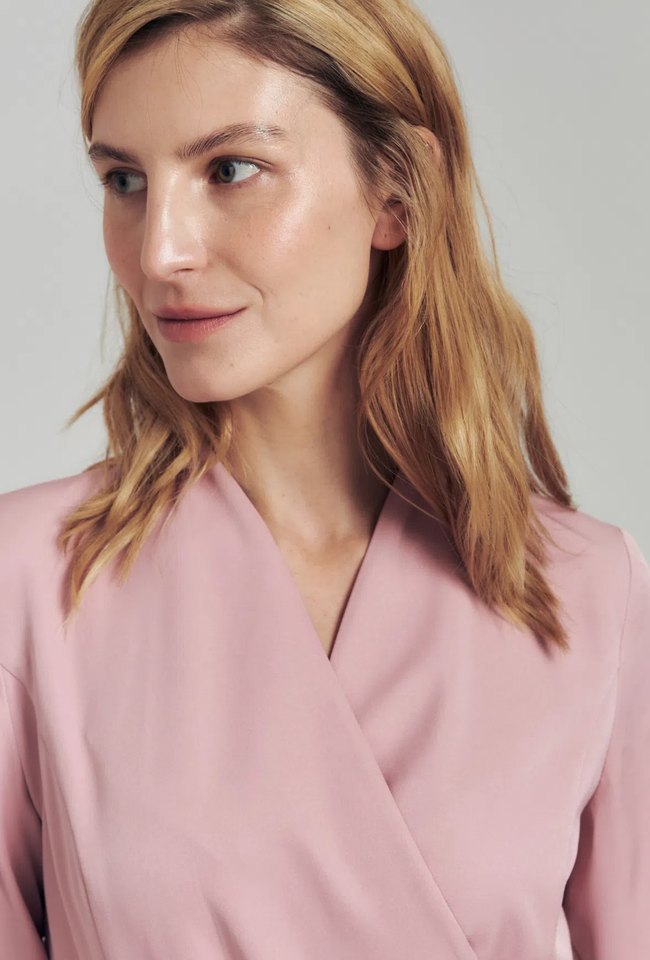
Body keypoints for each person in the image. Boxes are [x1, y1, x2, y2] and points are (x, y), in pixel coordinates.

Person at [1, 0, 648, 957]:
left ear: (397, 192)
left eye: (231, 170)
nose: (160, 250)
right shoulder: (29, 583)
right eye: (125, 180)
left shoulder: (588, 592)